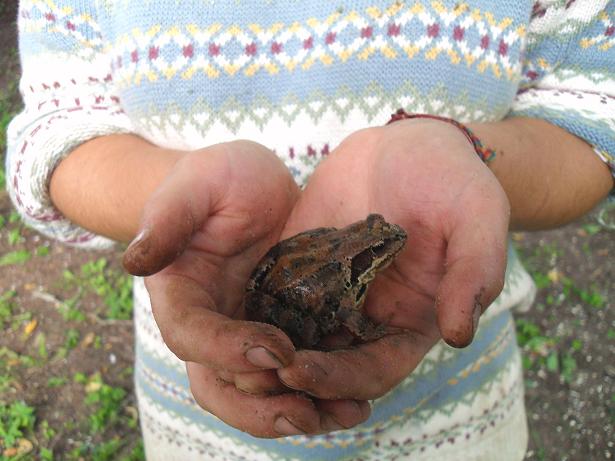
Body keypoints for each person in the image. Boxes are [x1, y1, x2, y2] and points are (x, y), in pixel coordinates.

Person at [7, 1, 614, 460]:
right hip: (196, 412)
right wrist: (191, 203)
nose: (387, 244)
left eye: (378, 241)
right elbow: (57, 132)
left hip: (463, 420)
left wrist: (463, 148)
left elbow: (594, 112)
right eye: (380, 245)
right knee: (296, 337)